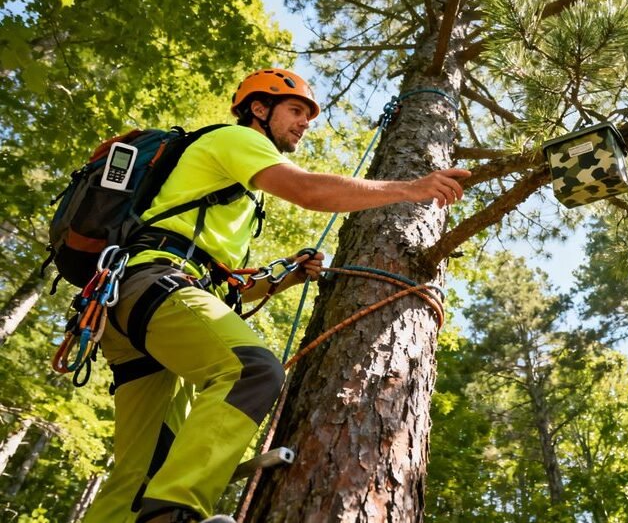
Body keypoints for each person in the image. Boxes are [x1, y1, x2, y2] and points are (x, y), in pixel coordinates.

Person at [81, 68, 470, 523]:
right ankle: (176, 512)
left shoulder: (231, 193)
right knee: (252, 369)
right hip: (155, 285)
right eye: (296, 110)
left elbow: (220, 286)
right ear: (259, 110)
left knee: (141, 471)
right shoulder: (237, 140)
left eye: (308, 115)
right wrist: (411, 189)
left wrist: (281, 278)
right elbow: (306, 190)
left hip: (134, 302)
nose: (305, 122)